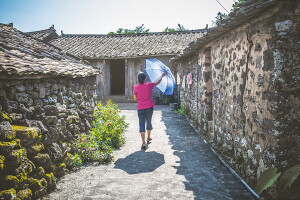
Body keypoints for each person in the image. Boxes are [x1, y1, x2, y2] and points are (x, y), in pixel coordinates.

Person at [133, 72, 165, 149]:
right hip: (149, 107)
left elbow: (135, 98)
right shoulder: (149, 85)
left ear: (138, 79)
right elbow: (157, 82)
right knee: (149, 121)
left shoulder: (136, 87)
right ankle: (148, 137)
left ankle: (143, 143)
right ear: (145, 79)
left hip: (140, 108)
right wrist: (161, 76)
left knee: (141, 124)